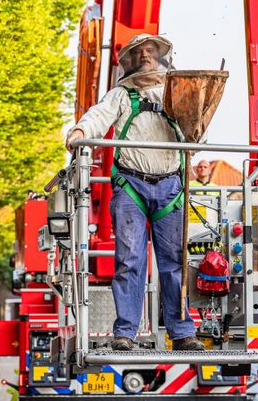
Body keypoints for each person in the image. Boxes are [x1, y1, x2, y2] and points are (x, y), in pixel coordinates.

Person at [65, 34, 204, 352]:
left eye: (150, 51)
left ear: (159, 57)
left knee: (174, 262)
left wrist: (197, 124)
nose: (145, 56)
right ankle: (125, 332)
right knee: (129, 260)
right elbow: (98, 116)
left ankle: (182, 333)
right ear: (130, 60)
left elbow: (196, 129)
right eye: (139, 52)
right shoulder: (121, 95)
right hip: (132, 186)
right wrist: (80, 132)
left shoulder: (174, 92)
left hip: (170, 187)